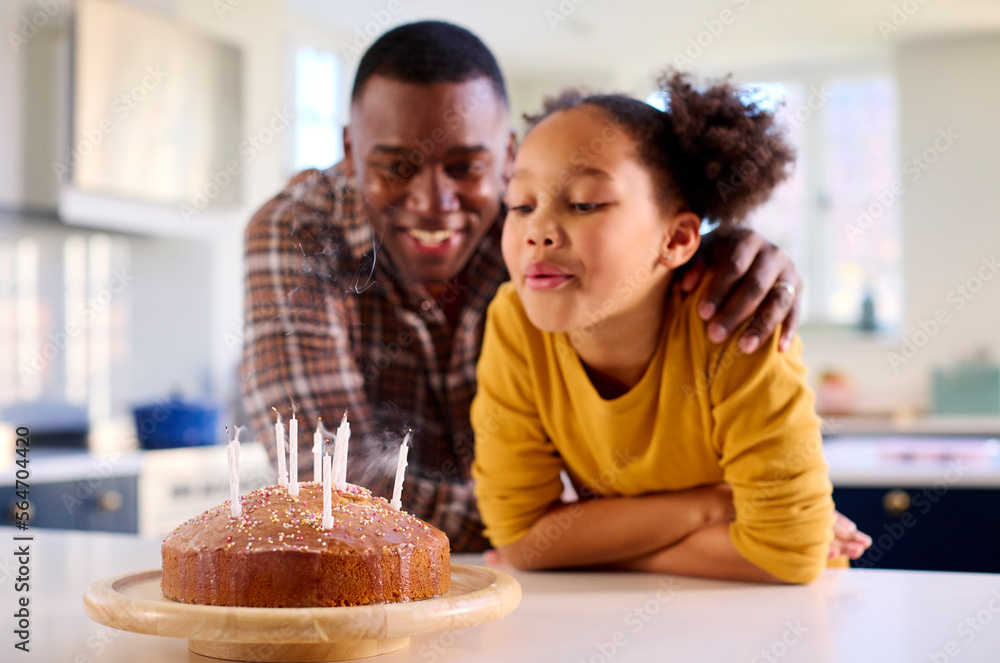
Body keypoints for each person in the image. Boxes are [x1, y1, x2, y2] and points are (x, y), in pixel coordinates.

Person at [241, 21, 814, 553]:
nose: (433, 202)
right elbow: (332, 484)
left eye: (465, 167)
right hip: (383, 567)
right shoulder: (299, 232)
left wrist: (566, 534)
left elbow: (649, 246)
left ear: (509, 154)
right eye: (395, 167)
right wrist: (559, 530)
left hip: (560, 581)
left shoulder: (534, 231)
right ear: (349, 151)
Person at [471, 70, 871, 582]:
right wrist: (711, 506)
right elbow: (522, 536)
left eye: (586, 203)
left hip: (774, 619)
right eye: (520, 205)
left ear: (678, 239)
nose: (538, 231)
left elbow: (788, 554)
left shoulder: (735, 321)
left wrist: (587, 548)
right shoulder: (514, 321)